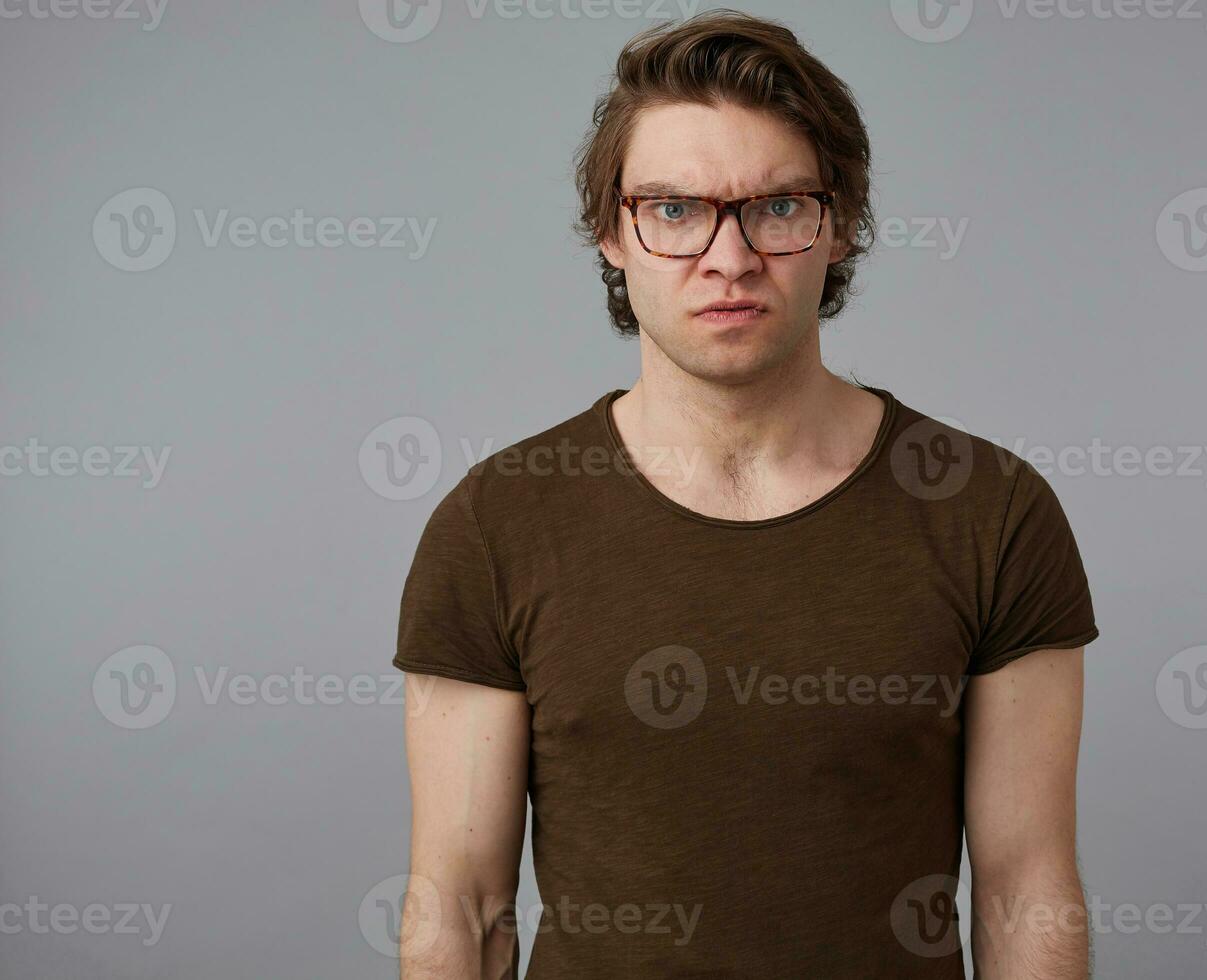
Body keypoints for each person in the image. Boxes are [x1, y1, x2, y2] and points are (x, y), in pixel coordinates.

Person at [393, 9, 1099, 978]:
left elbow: (1027, 890)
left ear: (839, 223)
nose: (729, 259)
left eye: (776, 207)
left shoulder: (993, 513)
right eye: (675, 209)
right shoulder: (494, 523)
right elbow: (461, 908)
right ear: (611, 230)